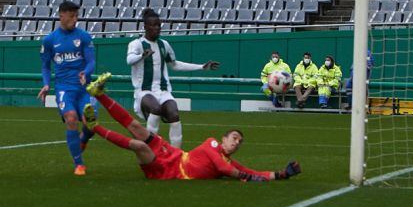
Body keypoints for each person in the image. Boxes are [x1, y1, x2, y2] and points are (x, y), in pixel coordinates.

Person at [82, 74, 301, 182]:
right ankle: (99, 94)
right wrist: (245, 177)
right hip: (173, 156)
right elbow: (229, 171)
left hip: (165, 169)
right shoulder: (211, 144)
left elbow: (249, 171)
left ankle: (95, 127)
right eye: (234, 138)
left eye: (239, 142)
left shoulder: (226, 161)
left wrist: (281, 174)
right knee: (137, 127)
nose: (236, 143)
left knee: (139, 144)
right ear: (223, 139)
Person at [126, 8, 219, 147]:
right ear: (145, 27)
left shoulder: (164, 44)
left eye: (159, 25)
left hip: (163, 91)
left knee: (174, 115)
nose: (157, 28)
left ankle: (177, 156)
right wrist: (142, 56)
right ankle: (151, 150)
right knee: (156, 109)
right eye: (153, 25)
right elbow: (129, 60)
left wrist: (201, 66)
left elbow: (174, 65)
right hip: (144, 91)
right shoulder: (137, 44)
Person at [37, 0, 96, 176]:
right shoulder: (49, 41)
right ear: (61, 15)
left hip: (85, 88)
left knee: (91, 125)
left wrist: (85, 72)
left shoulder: (84, 37)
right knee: (71, 118)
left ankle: (84, 139)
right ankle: (79, 164)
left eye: (77, 15)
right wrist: (46, 84)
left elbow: (91, 61)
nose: (75, 19)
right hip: (64, 88)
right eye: (72, 16)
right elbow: (46, 66)